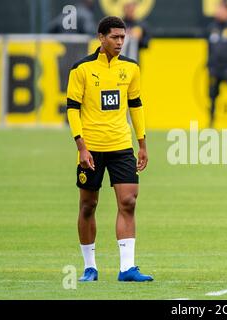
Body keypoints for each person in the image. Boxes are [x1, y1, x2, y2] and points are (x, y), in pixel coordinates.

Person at [66, 16, 153, 282]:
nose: (119, 42)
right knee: (88, 206)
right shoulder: (81, 69)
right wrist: (81, 146)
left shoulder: (131, 68)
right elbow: (72, 108)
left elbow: (136, 105)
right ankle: (90, 266)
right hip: (91, 148)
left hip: (121, 146)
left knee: (128, 202)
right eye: (114, 37)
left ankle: (127, 268)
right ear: (101, 38)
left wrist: (142, 143)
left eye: (122, 37)